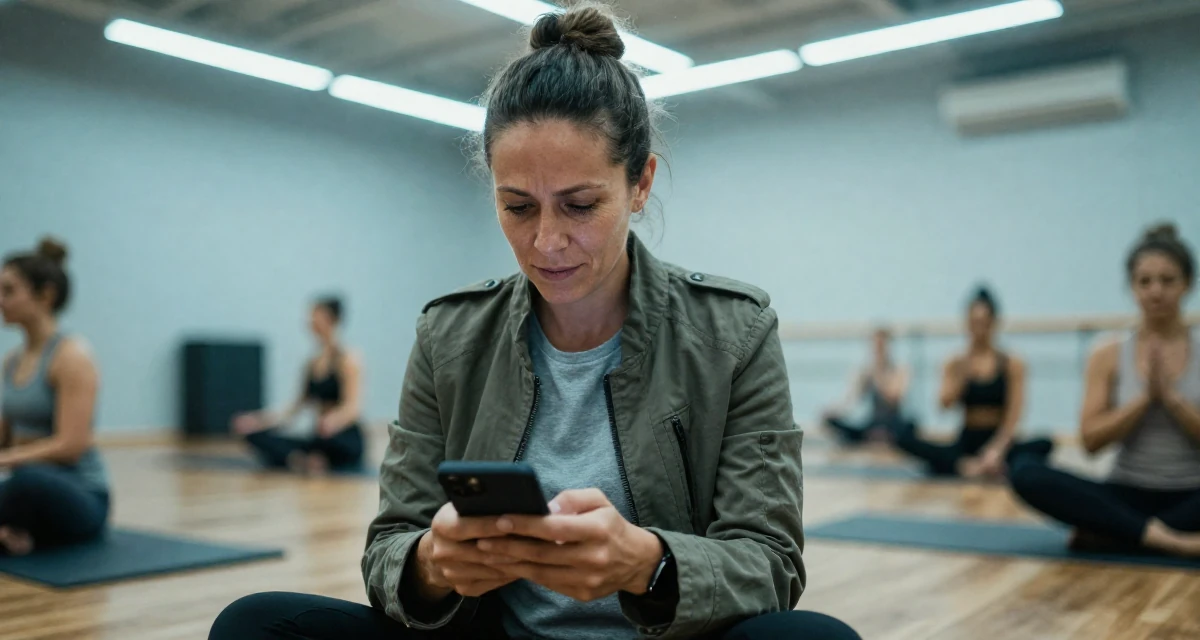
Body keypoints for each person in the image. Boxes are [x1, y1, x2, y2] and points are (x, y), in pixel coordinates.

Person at [209, 4, 860, 640]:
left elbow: (772, 564)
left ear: (640, 184)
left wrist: (649, 563)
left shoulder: (734, 333)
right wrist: (433, 564)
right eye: (518, 206)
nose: (547, 242)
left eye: (579, 205)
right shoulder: (448, 335)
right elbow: (388, 549)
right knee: (253, 623)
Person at [1010, 224, 1200, 556]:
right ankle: (1164, 540)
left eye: (1168, 280)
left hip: (1192, 495)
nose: (1156, 291)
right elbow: (1091, 442)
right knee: (1025, 471)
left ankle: (1117, 533)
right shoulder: (1107, 354)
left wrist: (1172, 399)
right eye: (1145, 281)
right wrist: (1144, 400)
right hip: (1124, 492)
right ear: (1132, 287)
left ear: (1187, 284)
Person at [0, 238, 110, 555]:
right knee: (21, 481)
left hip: (79, 495)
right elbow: (5, 434)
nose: (1, 300)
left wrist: (5, 460)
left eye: (9, 291)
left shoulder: (72, 357)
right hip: (24, 489)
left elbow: (70, 447)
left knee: (27, 480)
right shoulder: (11, 361)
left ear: (45, 295)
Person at [895, 287, 1053, 478]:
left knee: (1046, 444)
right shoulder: (955, 361)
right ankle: (966, 466)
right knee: (904, 438)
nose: (979, 329)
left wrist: (996, 451)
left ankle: (982, 466)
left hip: (999, 439)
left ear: (994, 322)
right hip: (967, 440)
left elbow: (1014, 416)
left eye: (984, 323)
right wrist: (963, 372)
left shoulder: (1012, 363)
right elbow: (944, 405)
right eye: (974, 322)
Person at [231, 297, 365, 475]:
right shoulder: (311, 363)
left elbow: (352, 407)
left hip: (341, 437)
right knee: (256, 436)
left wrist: (333, 421)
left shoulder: (349, 359)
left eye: (316, 315)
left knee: (326, 443)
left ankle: (308, 459)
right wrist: (257, 421)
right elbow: (293, 409)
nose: (311, 321)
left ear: (332, 319)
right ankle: (305, 460)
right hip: (318, 437)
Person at [821, 327, 910, 445]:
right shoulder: (866, 371)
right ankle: (873, 435)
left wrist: (879, 373)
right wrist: (834, 411)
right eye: (875, 345)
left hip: (893, 424)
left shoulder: (900, 370)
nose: (877, 349)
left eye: (881, 345)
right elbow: (851, 399)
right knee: (834, 423)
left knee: (909, 429)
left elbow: (894, 399)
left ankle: (881, 436)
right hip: (873, 423)